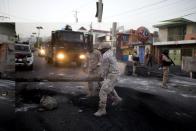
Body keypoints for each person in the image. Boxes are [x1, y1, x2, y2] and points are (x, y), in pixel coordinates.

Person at [94, 43, 122, 117]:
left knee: (103, 91)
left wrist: (101, 76)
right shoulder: (110, 53)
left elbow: (105, 69)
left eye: (101, 49)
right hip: (113, 74)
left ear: (105, 49)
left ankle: (102, 110)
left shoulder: (106, 56)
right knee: (108, 87)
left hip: (111, 75)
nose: (100, 51)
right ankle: (117, 99)